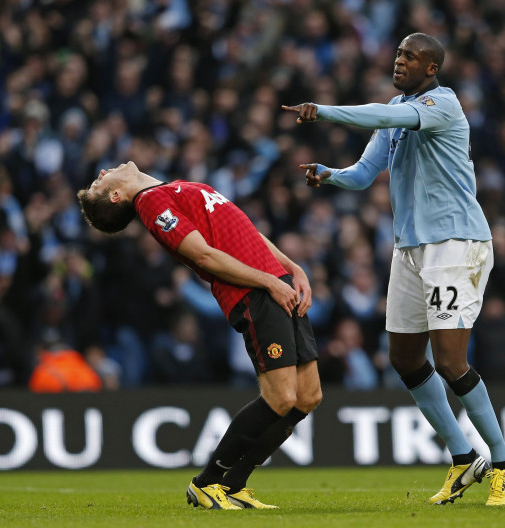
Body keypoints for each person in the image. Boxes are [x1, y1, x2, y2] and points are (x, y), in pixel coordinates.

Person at [283, 32, 505, 506]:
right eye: (397, 54)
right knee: (405, 359)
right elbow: (364, 173)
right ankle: (461, 457)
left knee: (450, 360)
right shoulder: (397, 110)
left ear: (431, 68)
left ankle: (503, 461)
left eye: (410, 57)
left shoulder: (441, 105)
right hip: (410, 248)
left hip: (456, 244)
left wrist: (323, 111)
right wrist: (331, 175)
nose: (399, 61)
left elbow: (386, 115)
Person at [76, 161, 322, 510]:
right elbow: (204, 256)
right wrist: (269, 281)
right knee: (281, 397)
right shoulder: (151, 204)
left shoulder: (170, 190)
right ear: (117, 196)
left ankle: (235, 484)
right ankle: (206, 483)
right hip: (254, 293)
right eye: (99, 182)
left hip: (277, 283)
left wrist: (292, 268)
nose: (101, 172)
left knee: (308, 395)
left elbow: (246, 231)